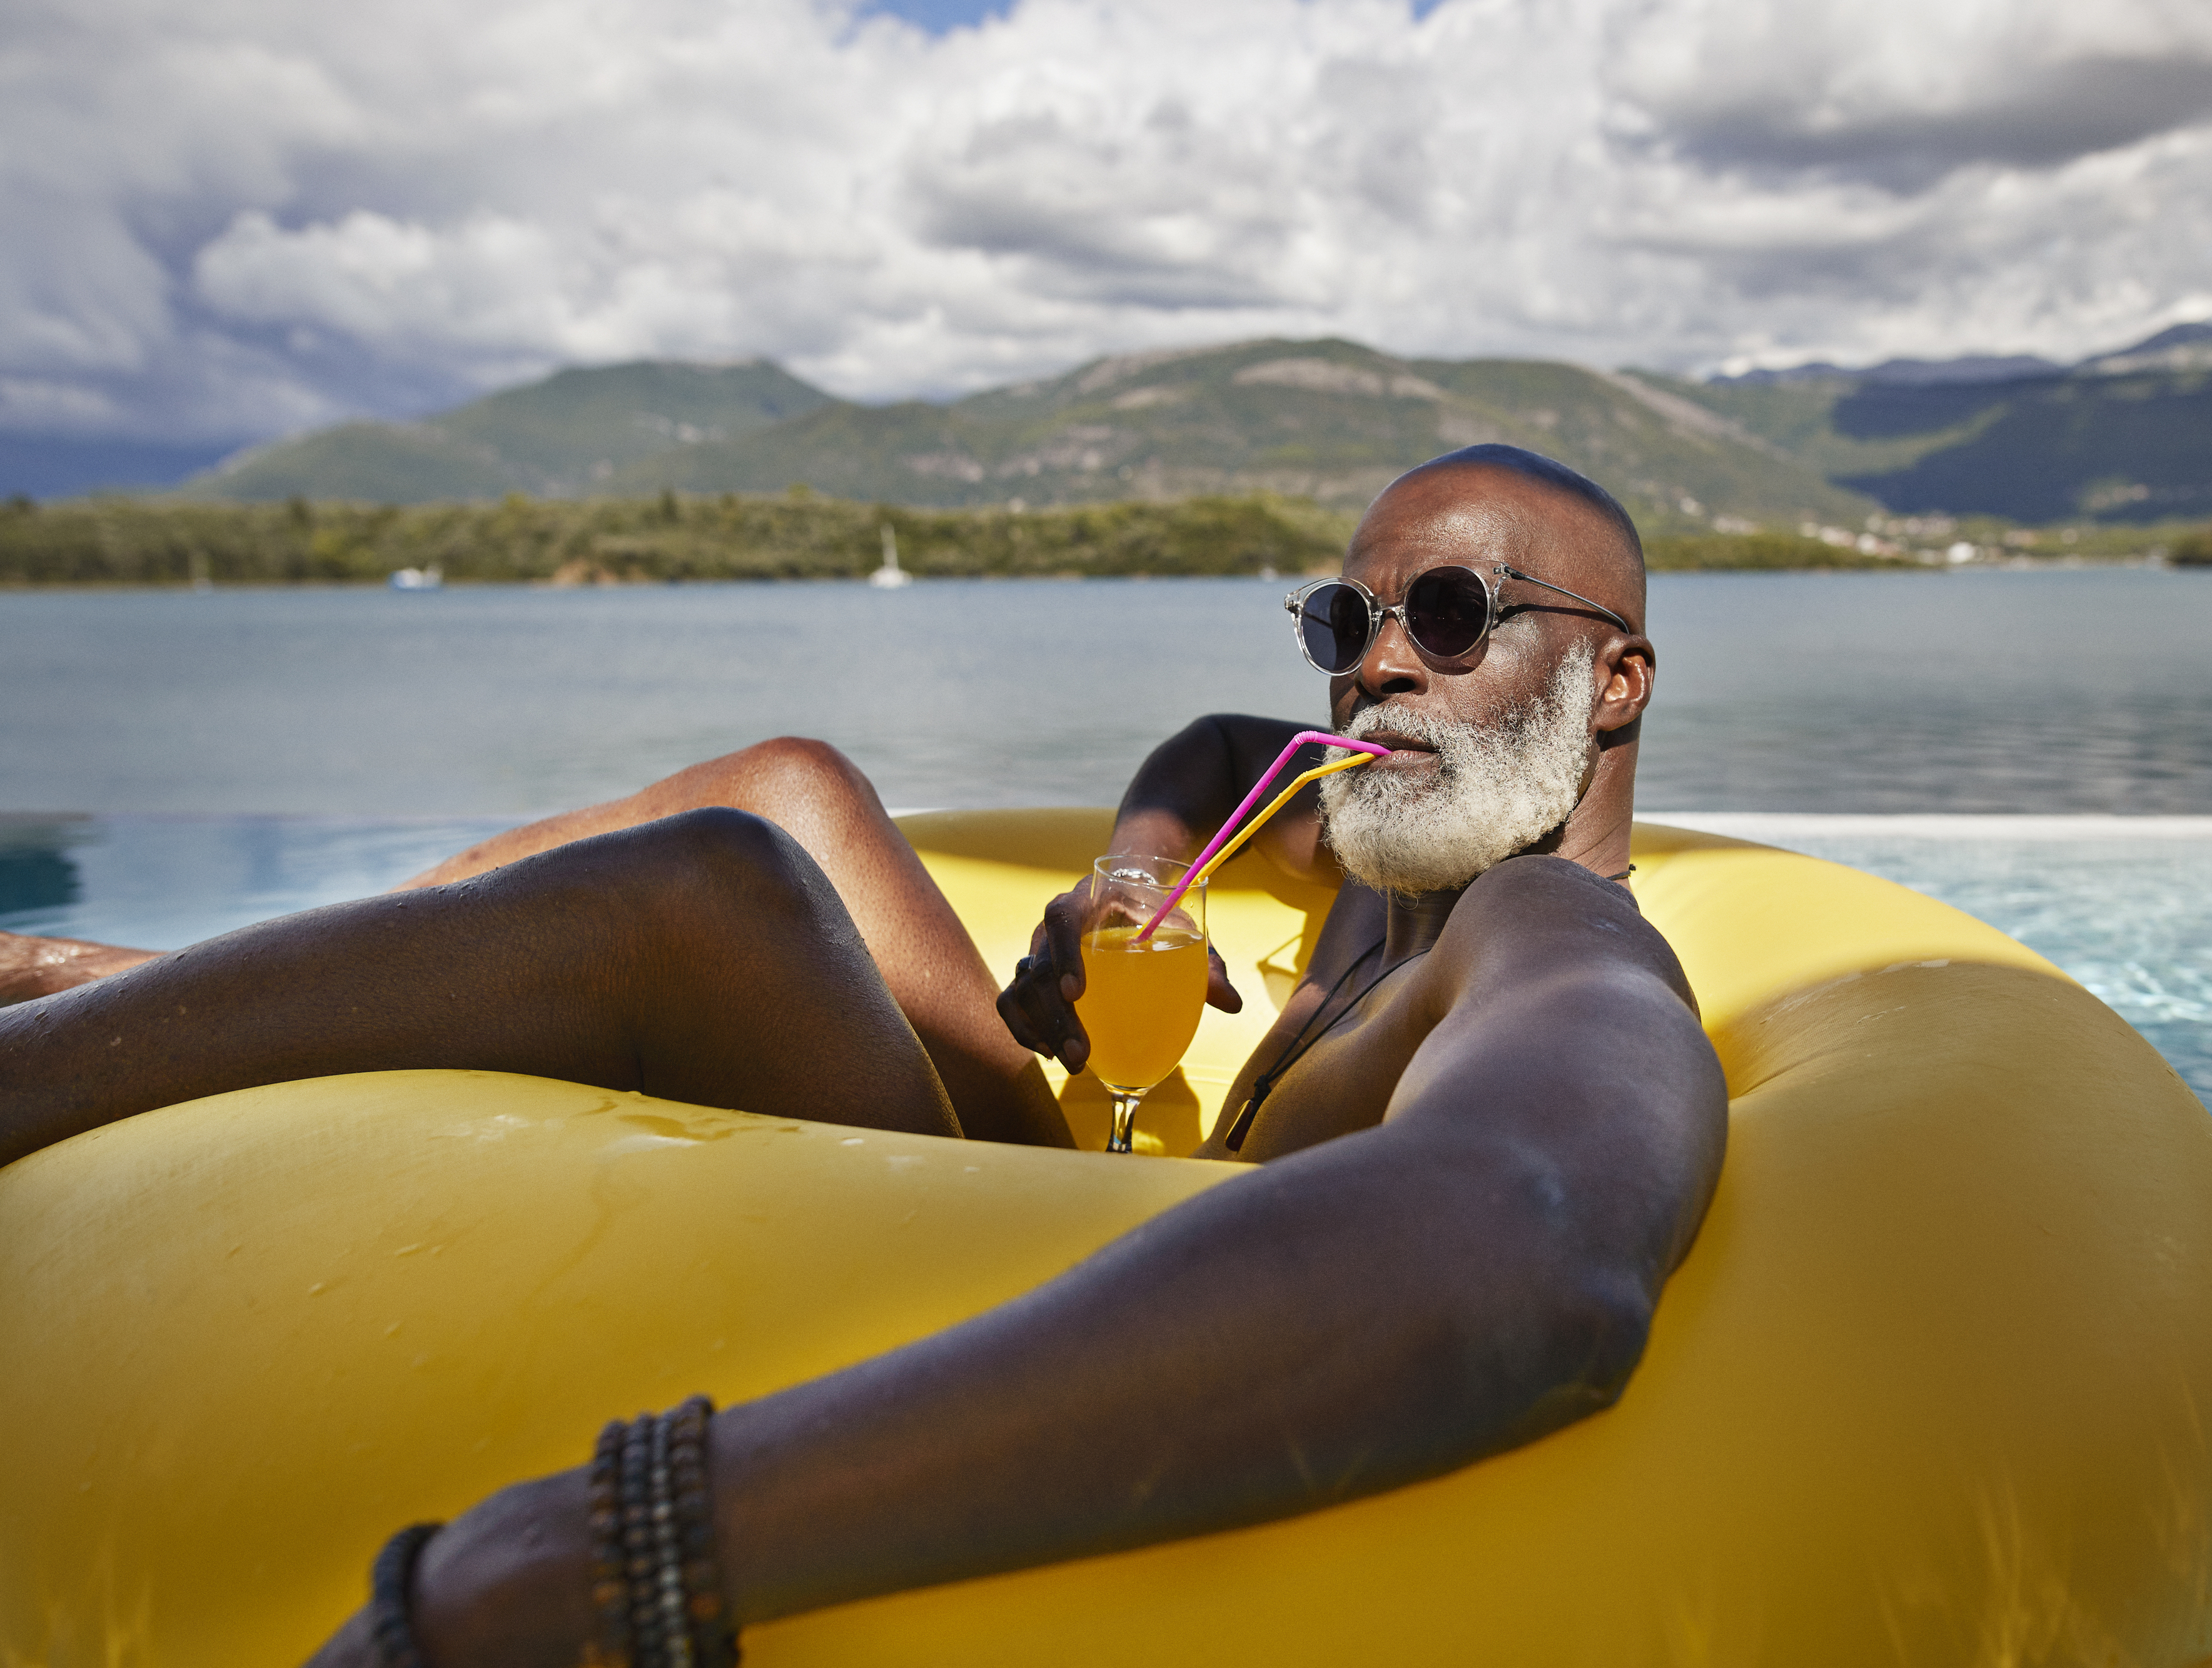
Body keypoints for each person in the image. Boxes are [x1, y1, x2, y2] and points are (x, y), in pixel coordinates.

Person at [0, 445, 1728, 1666]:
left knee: (715, 892)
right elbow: (1218, 746)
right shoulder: (1375, 824)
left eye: (1447, 609)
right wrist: (1135, 867)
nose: (1377, 676)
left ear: (1619, 676)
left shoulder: (1545, 937)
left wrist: (628, 1547)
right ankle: (180, 984)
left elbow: (1535, 1238)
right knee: (794, 790)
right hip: (1074, 1173)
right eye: (1340, 627)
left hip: (1105, 1287)